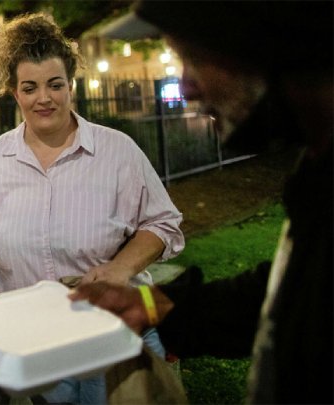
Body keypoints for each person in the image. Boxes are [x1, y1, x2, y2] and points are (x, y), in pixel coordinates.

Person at [69, 1, 333, 403]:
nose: (185, 85)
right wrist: (161, 305)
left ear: (271, 44)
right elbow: (287, 293)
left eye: (192, 57)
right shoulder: (316, 171)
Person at [0, 13, 184, 404]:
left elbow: (164, 224)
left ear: (71, 86)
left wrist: (121, 268)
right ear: (14, 93)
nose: (44, 98)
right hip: (34, 342)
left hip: (110, 337)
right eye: (30, 88)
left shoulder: (116, 151)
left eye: (55, 85)